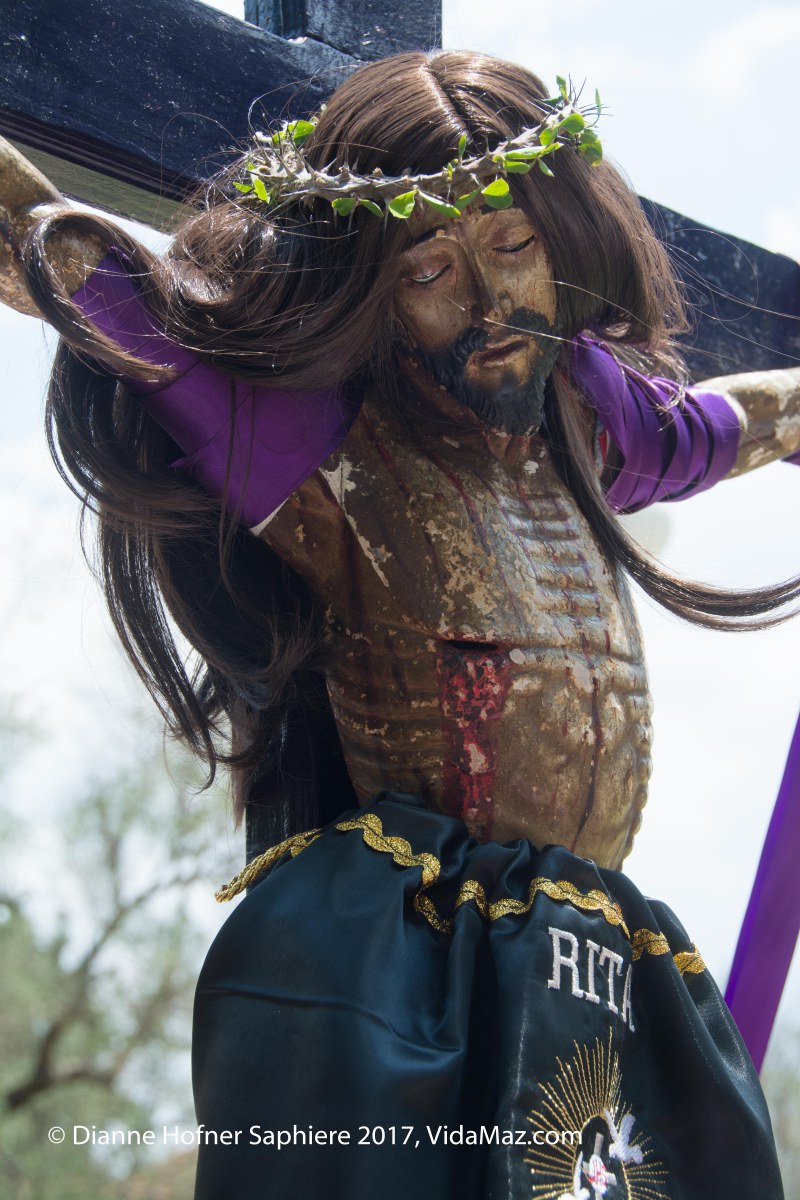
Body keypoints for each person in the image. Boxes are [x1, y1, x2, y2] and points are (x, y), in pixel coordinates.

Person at [2, 48, 798, 1200]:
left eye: (512, 246)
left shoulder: (593, 437)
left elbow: (736, 421)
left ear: (564, 239)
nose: (486, 301)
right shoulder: (326, 461)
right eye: (428, 268)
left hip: (591, 954)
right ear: (372, 293)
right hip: (410, 960)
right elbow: (75, 271)